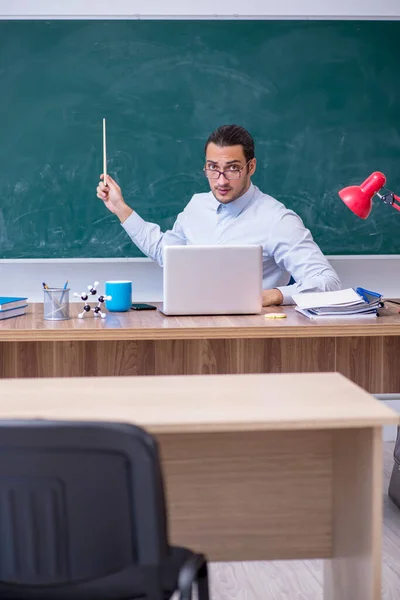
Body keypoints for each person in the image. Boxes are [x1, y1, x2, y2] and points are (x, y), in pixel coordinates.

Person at [96, 124, 340, 305]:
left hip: (253, 332)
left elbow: (327, 282)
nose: (221, 181)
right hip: (192, 322)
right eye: (213, 168)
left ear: (250, 167)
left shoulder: (277, 219)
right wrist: (120, 208)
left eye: (232, 169)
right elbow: (166, 253)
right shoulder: (196, 207)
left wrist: (271, 296)